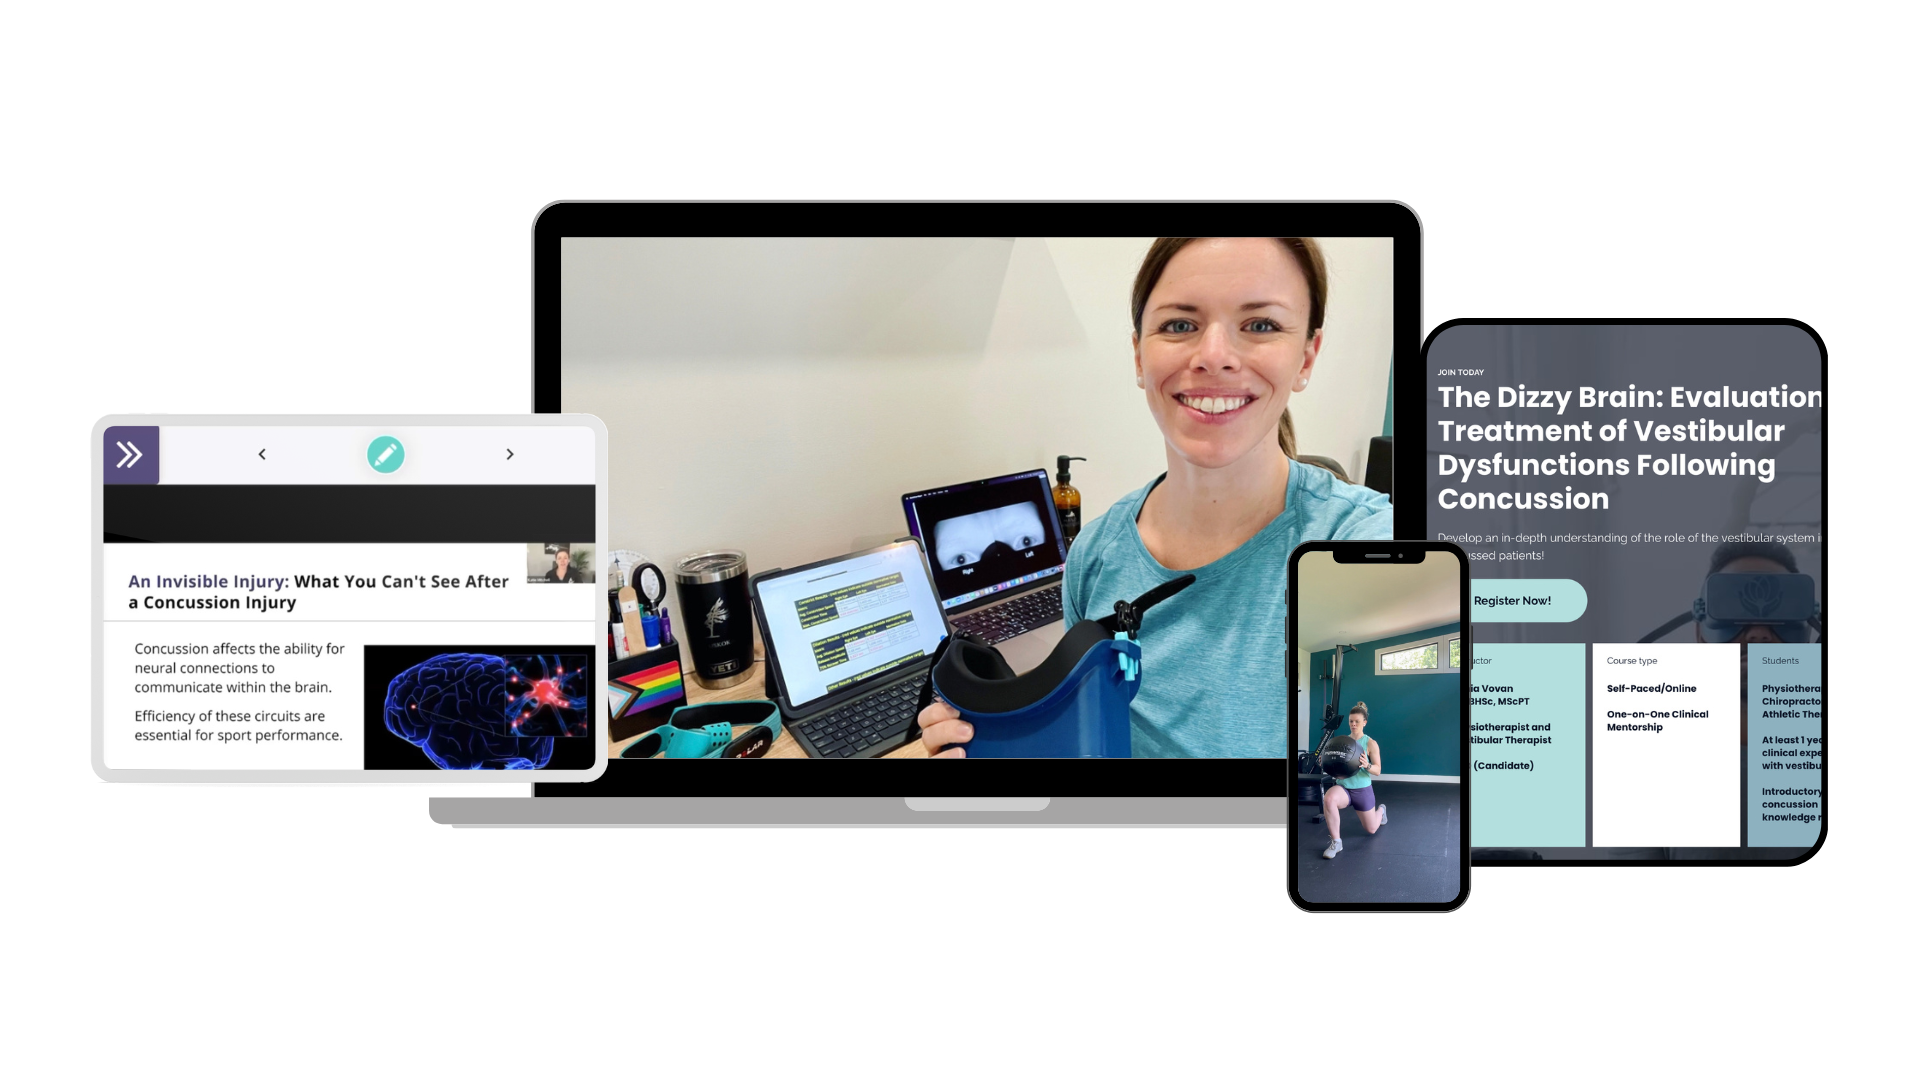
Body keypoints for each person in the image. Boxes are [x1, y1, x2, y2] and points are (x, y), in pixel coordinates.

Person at [918, 236, 1392, 757]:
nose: (1214, 356)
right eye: (1180, 325)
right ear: (1140, 356)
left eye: (1260, 325)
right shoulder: (1094, 554)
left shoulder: (1364, 539)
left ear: (1306, 357)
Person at [1321, 702, 1385, 859]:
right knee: (1329, 798)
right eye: (1351, 721)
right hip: (1344, 787)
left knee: (1371, 829)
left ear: (1365, 722)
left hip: (1362, 790)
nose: (1353, 724)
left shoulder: (1370, 743)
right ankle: (1336, 842)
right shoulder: (1342, 741)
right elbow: (1335, 762)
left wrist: (1367, 765)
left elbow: (1378, 770)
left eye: (1357, 721)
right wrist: (1327, 764)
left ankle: (1381, 811)